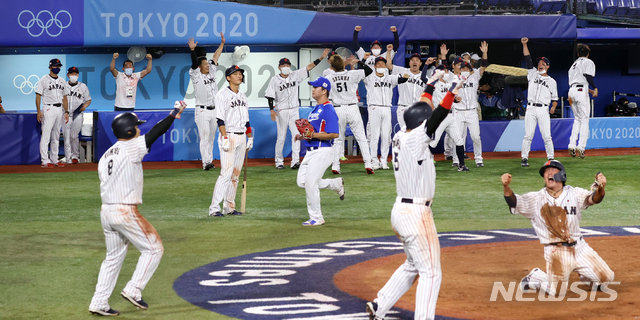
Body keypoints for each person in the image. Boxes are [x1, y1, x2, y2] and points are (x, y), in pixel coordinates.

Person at [366, 70, 465, 320]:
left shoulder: (401, 135)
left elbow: (423, 111)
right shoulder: (416, 139)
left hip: (400, 211)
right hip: (416, 214)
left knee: (413, 264)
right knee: (431, 272)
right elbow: (434, 118)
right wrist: (451, 92)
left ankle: (380, 305)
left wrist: (430, 86)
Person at [89, 101, 187, 316]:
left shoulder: (106, 155)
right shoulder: (130, 147)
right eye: (137, 126)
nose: (140, 129)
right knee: (154, 248)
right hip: (124, 211)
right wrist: (173, 114)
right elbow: (155, 133)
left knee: (113, 258)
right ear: (130, 130)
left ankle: (99, 302)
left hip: (106, 212)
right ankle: (133, 289)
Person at [501, 160, 614, 296]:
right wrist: (506, 187)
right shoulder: (536, 199)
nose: (548, 173)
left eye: (552, 170)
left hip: (579, 248)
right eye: (545, 172)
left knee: (607, 279)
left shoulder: (574, 193)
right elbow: (514, 201)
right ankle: (536, 277)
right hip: (556, 251)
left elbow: (595, 198)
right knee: (557, 291)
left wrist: (601, 188)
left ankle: (585, 274)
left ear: (562, 175)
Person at [266, 49, 330, 169]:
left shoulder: (295, 75)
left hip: (294, 109)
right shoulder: (274, 80)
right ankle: (279, 162)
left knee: (296, 134)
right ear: (279, 67)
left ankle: (295, 161)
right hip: (282, 110)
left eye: (288, 65)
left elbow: (308, 67)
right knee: (281, 136)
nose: (286, 67)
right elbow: (270, 96)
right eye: (283, 65)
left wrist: (321, 58)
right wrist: (271, 110)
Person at [295, 77, 344, 226]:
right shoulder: (315, 109)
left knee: (310, 183)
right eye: (313, 87)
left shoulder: (328, 108)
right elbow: (313, 132)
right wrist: (303, 136)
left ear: (324, 91)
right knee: (302, 182)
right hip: (311, 151)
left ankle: (316, 217)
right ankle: (334, 184)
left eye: (316, 87)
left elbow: (334, 134)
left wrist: (313, 135)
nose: (313, 89)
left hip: (323, 151)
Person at [208, 66, 253, 217]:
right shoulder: (222, 94)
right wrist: (225, 137)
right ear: (228, 78)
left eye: (240, 74)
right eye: (236, 74)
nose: (239, 76)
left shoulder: (243, 95)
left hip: (241, 136)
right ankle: (214, 208)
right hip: (229, 135)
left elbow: (246, 120)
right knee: (226, 173)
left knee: (235, 174)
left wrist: (250, 136)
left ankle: (229, 207)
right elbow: (220, 118)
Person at [324, 53, 375, 174]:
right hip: (352, 107)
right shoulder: (352, 74)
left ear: (332, 66)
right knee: (361, 138)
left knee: (338, 139)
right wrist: (359, 62)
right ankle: (368, 164)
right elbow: (369, 70)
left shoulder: (329, 77)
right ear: (343, 64)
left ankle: (335, 166)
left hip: (338, 109)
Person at [364, 55, 409, 170]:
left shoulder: (390, 78)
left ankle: (384, 161)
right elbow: (363, 70)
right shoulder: (369, 77)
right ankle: (374, 161)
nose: (381, 65)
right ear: (374, 66)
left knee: (386, 136)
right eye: (378, 63)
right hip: (374, 107)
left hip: (387, 108)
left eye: (383, 64)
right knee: (374, 135)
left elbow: (402, 79)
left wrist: (406, 75)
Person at [188, 34, 225, 170]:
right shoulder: (196, 75)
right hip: (202, 110)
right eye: (205, 64)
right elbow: (193, 64)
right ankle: (206, 163)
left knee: (211, 138)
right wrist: (192, 51)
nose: (208, 66)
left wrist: (222, 44)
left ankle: (209, 160)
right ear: (200, 66)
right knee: (204, 137)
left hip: (214, 109)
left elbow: (215, 57)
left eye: (207, 64)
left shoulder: (212, 72)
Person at [520, 38, 558, 167]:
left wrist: (553, 107)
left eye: (543, 63)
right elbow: (528, 59)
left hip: (543, 109)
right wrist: (524, 44)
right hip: (531, 108)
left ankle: (551, 158)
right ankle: (524, 158)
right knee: (528, 135)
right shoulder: (533, 74)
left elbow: (555, 99)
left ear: (547, 66)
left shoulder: (552, 81)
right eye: (539, 63)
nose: (540, 65)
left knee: (547, 136)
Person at [451, 41, 489, 167]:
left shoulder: (474, 77)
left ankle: (479, 159)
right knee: (458, 137)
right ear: (460, 69)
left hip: (472, 111)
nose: (466, 70)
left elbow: (483, 66)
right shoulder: (455, 79)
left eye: (468, 68)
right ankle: (456, 160)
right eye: (463, 68)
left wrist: (484, 53)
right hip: (459, 111)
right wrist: (455, 98)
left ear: (470, 70)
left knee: (475, 137)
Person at [427, 63, 469, 172]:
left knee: (459, 140)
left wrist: (455, 100)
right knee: (434, 142)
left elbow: (449, 98)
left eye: (446, 71)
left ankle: (462, 165)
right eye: (444, 71)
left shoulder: (449, 84)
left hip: (450, 115)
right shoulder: (434, 84)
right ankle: (422, 163)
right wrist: (427, 65)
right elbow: (423, 78)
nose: (446, 73)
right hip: (440, 116)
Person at [385, 50, 437, 131]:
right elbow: (388, 65)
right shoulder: (402, 71)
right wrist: (388, 51)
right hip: (404, 107)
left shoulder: (425, 77)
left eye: (417, 60)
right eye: (412, 60)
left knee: (417, 135)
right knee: (405, 133)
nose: (414, 62)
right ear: (409, 63)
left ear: (420, 63)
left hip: (418, 110)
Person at [36, 58, 70, 168]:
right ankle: (45, 160)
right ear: (50, 67)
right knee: (46, 135)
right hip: (48, 108)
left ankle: (55, 159)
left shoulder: (62, 80)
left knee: (56, 136)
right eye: (55, 66)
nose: (57, 68)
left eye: (59, 66)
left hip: (59, 109)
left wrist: (66, 111)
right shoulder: (44, 79)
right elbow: (38, 95)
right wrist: (38, 111)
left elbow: (64, 97)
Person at [568, 43, 597, 159]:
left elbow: (579, 81)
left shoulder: (573, 65)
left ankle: (571, 144)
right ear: (588, 54)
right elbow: (588, 76)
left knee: (577, 119)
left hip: (571, 92)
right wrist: (595, 87)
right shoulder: (588, 62)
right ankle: (581, 147)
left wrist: (589, 90)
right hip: (580, 91)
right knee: (585, 120)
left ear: (578, 54)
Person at [63, 66, 92, 164]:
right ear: (68, 75)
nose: (74, 76)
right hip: (65, 113)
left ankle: (75, 156)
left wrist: (85, 106)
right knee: (66, 137)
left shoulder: (83, 86)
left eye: (75, 74)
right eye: (72, 74)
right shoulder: (64, 85)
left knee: (74, 136)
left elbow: (88, 99)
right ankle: (68, 157)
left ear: (78, 75)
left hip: (77, 113)